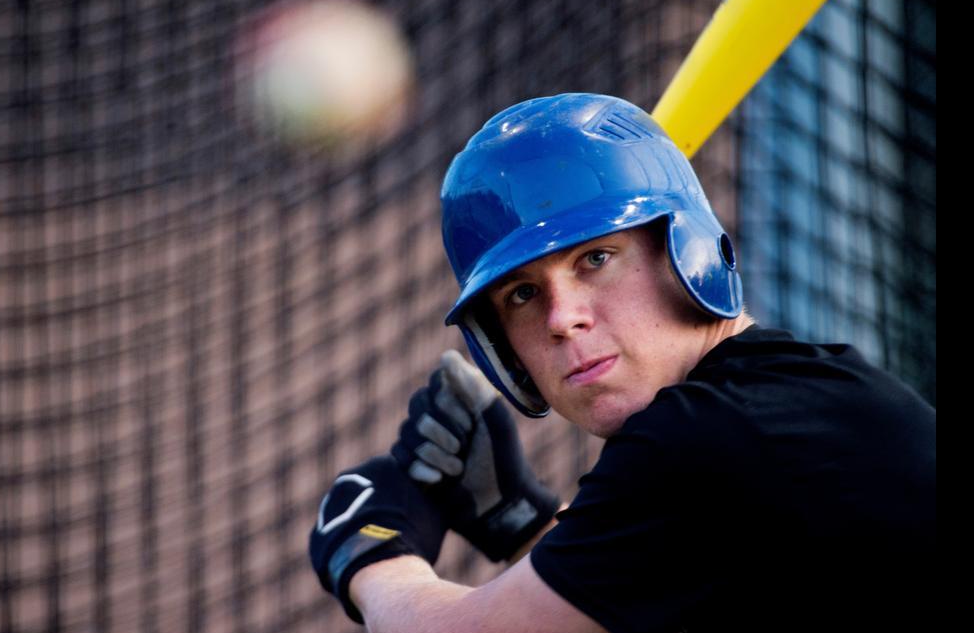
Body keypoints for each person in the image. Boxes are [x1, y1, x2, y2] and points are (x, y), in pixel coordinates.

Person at [309, 93, 937, 632]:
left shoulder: (706, 433)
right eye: (522, 295)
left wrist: (370, 551)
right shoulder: (771, 404)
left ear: (685, 253)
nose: (561, 318)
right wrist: (517, 519)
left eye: (596, 259)